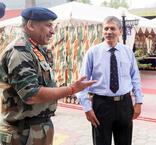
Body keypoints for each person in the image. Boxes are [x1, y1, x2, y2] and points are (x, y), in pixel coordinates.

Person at [0, 7, 96, 145]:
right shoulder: (19, 52)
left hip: (37, 128)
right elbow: (32, 95)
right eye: (48, 25)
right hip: (22, 133)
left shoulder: (36, 49)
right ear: (31, 25)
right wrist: (72, 89)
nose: (53, 31)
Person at [76, 16, 143, 145]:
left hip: (125, 104)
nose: (109, 32)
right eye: (106, 28)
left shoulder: (128, 52)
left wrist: (139, 102)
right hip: (101, 105)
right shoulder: (93, 52)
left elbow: (135, 78)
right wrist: (86, 108)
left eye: (112, 28)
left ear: (120, 31)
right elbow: (82, 82)